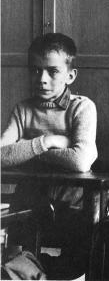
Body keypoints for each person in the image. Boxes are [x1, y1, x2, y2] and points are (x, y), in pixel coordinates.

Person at [1, 32, 98, 276]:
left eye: (52, 71)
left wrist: (25, 149)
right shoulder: (23, 109)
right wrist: (48, 141)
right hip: (30, 201)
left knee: (73, 267)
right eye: (35, 70)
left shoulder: (82, 107)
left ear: (70, 75)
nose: (42, 79)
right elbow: (1, 155)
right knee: (14, 263)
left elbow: (80, 160)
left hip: (75, 205)